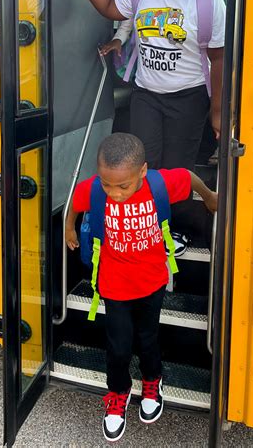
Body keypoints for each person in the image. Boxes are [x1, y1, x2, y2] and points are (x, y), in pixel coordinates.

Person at [56, 0, 224, 254]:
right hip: (146, 95)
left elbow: (219, 61)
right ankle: (145, 229)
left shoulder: (208, 1)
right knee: (144, 163)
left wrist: (217, 111)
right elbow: (107, 6)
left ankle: (168, 229)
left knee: (175, 170)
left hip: (189, 98)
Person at [65, 133, 217, 442]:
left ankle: (153, 381)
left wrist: (210, 195)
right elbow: (75, 203)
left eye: (123, 186)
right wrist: (69, 227)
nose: (115, 193)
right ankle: (118, 393)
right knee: (118, 346)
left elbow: (188, 177)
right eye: (107, 184)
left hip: (151, 281)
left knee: (148, 337)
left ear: (143, 172)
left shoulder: (159, 185)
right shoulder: (95, 189)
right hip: (113, 283)